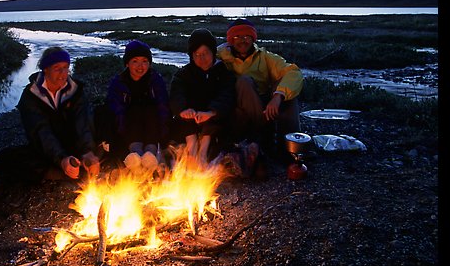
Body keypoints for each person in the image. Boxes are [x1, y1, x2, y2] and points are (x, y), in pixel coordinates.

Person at [216, 18, 304, 162]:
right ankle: (263, 139)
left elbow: (294, 72)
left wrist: (278, 96)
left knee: (287, 93)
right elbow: (200, 62)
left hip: (263, 107)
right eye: (237, 37)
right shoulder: (220, 56)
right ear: (231, 40)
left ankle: (290, 148)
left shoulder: (265, 57)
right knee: (244, 81)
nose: (242, 40)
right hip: (236, 110)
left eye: (246, 36)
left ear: (253, 38)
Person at [13, 46, 101, 181]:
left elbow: (83, 122)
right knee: (11, 159)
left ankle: (75, 168)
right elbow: (40, 131)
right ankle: (65, 172)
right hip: (48, 150)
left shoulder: (75, 90)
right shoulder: (31, 96)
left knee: (101, 141)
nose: (63, 73)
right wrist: (61, 159)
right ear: (46, 69)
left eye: (66, 67)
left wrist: (87, 151)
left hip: (74, 144)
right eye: (57, 68)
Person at [169, 28, 236, 165]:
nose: (202, 59)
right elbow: (176, 94)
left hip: (214, 122)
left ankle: (203, 154)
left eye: (205, 53)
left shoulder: (224, 73)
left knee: (213, 124)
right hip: (189, 122)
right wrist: (183, 110)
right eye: (197, 54)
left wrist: (211, 112)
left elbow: (226, 96)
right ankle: (191, 153)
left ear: (213, 52)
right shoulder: (183, 74)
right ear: (191, 55)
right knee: (184, 123)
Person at [105, 40, 171, 174]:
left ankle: (150, 156)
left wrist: (164, 138)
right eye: (135, 61)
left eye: (145, 61)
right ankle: (136, 156)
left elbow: (163, 109)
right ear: (127, 63)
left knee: (149, 109)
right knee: (133, 110)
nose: (140, 66)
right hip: (128, 133)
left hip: (152, 131)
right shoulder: (118, 83)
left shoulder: (155, 80)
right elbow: (116, 113)